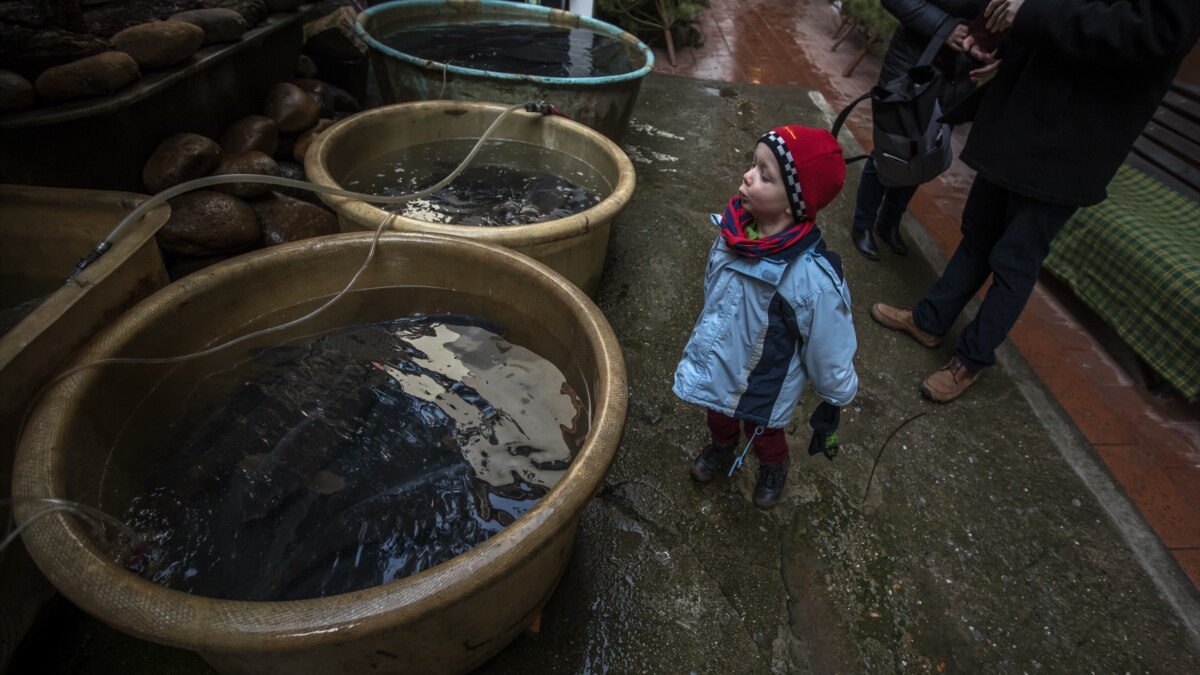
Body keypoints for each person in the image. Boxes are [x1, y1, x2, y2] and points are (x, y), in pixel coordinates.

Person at [871, 0, 1200, 402]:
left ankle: (969, 360)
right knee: (978, 230)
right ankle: (930, 320)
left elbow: (1152, 33)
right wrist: (1011, 47)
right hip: (1023, 111)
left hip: (1074, 137)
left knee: (1015, 256)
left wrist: (1029, 16)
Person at [673, 125, 859, 510]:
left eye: (764, 174)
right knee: (719, 417)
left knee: (764, 432)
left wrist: (833, 397)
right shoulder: (733, 232)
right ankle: (722, 448)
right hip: (722, 363)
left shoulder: (811, 280)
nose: (747, 175)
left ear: (793, 203)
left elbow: (828, 345)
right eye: (752, 164)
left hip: (768, 382)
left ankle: (774, 465)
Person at [851, 0, 988, 261]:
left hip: (957, 75)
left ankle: (889, 221)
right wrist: (944, 27)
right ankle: (863, 223)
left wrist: (995, 48)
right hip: (912, 62)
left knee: (926, 152)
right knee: (893, 147)